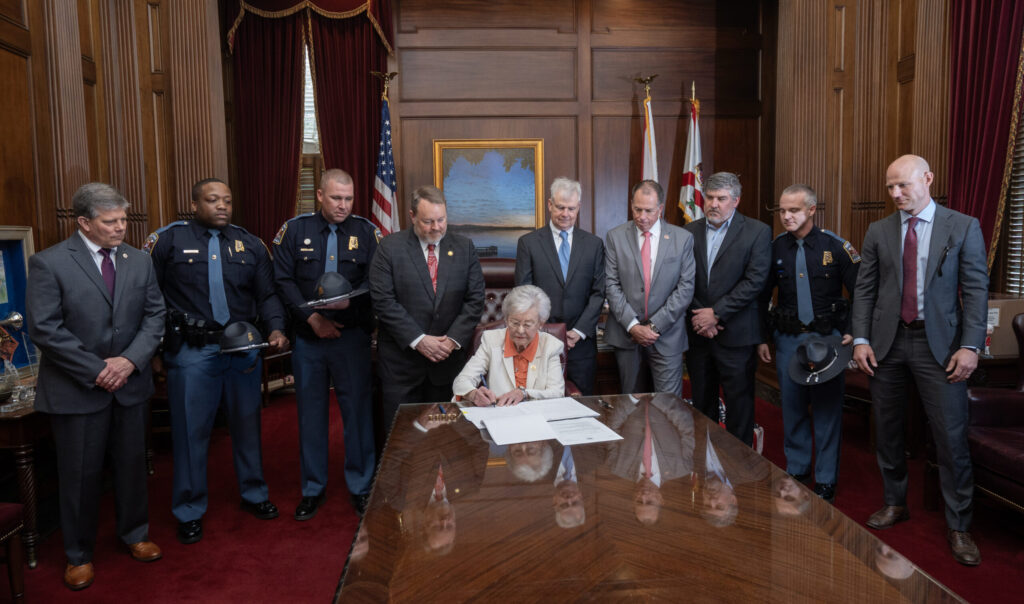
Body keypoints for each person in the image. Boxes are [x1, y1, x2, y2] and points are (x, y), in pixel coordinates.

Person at [26, 183, 166, 590]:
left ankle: (136, 535)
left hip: (131, 384)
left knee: (131, 467)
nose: (121, 227)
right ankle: (78, 555)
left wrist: (129, 361)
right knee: (80, 476)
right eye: (111, 222)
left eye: (123, 219)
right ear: (84, 222)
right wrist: (97, 369)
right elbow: (45, 329)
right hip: (77, 389)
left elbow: (155, 317)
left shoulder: (139, 261)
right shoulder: (49, 263)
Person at [851, 154, 987, 566]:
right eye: (890, 186)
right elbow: (865, 290)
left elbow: (977, 290)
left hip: (941, 348)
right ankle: (895, 502)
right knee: (888, 431)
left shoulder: (962, 226)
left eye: (903, 185)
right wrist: (860, 339)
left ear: (927, 179)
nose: (895, 194)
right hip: (888, 345)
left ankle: (959, 524)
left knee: (950, 437)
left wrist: (971, 346)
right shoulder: (878, 230)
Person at [147, 178, 289, 545]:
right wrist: (157, 353)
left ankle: (254, 494)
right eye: (212, 200)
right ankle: (189, 510)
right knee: (191, 433)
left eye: (227, 200)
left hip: (242, 348)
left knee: (247, 427)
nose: (222, 206)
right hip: (193, 351)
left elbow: (267, 293)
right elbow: (150, 299)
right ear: (194, 204)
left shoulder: (250, 244)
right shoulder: (168, 241)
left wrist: (275, 328)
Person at [273, 169, 380, 518]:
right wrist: (313, 319)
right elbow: (284, 281)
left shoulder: (367, 231)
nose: (343, 205)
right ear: (319, 195)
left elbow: (374, 281)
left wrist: (348, 310)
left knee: (357, 415)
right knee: (311, 415)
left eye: (349, 199)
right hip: (309, 339)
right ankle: (313, 488)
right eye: (336, 198)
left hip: (350, 338)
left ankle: (361, 486)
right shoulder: (295, 230)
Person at [757, 184, 860, 503]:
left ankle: (826, 479)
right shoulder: (775, 248)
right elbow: (762, 297)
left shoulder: (837, 247)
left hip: (828, 339)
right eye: (782, 210)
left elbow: (862, 293)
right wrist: (763, 337)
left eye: (794, 210)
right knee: (792, 407)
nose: (786, 216)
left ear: (812, 210)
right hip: (788, 338)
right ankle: (798, 470)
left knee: (828, 411)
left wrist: (855, 333)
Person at [369, 185, 485, 424]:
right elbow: (383, 301)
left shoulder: (464, 247)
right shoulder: (389, 248)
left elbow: (475, 300)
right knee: (402, 439)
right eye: (428, 221)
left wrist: (452, 340)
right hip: (402, 367)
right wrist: (419, 340)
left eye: (441, 220)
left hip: (448, 364)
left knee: (447, 439)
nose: (436, 227)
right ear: (412, 216)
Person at [684, 171, 771, 445]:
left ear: (736, 200)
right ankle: (704, 470)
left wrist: (716, 313)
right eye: (709, 197)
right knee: (702, 407)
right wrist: (701, 317)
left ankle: (738, 476)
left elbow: (755, 280)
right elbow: (684, 279)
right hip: (699, 334)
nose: (714, 204)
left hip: (737, 335)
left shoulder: (757, 231)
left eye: (721, 199)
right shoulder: (689, 231)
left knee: (739, 409)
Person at [515, 177, 606, 394]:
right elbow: (524, 293)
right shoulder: (529, 243)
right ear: (549, 205)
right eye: (560, 207)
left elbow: (598, 292)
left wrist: (579, 331)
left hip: (581, 345)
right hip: (540, 342)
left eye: (571, 208)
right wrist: (548, 331)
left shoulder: (593, 245)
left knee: (581, 407)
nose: (565, 213)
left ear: (579, 208)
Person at [604, 180, 695, 396]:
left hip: (667, 336)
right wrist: (633, 326)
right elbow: (611, 284)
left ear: (660, 209)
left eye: (648, 210)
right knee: (630, 405)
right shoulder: (615, 237)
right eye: (637, 209)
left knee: (668, 407)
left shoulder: (682, 239)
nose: (642, 216)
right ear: (631, 205)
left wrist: (654, 327)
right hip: (627, 335)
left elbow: (685, 288)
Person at [452, 285, 564, 405]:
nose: (520, 330)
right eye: (515, 323)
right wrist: (473, 394)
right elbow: (461, 381)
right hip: (498, 415)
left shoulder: (551, 346)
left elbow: (557, 392)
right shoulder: (491, 340)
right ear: (506, 320)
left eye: (527, 324)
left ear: (540, 324)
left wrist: (524, 393)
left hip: (537, 416)